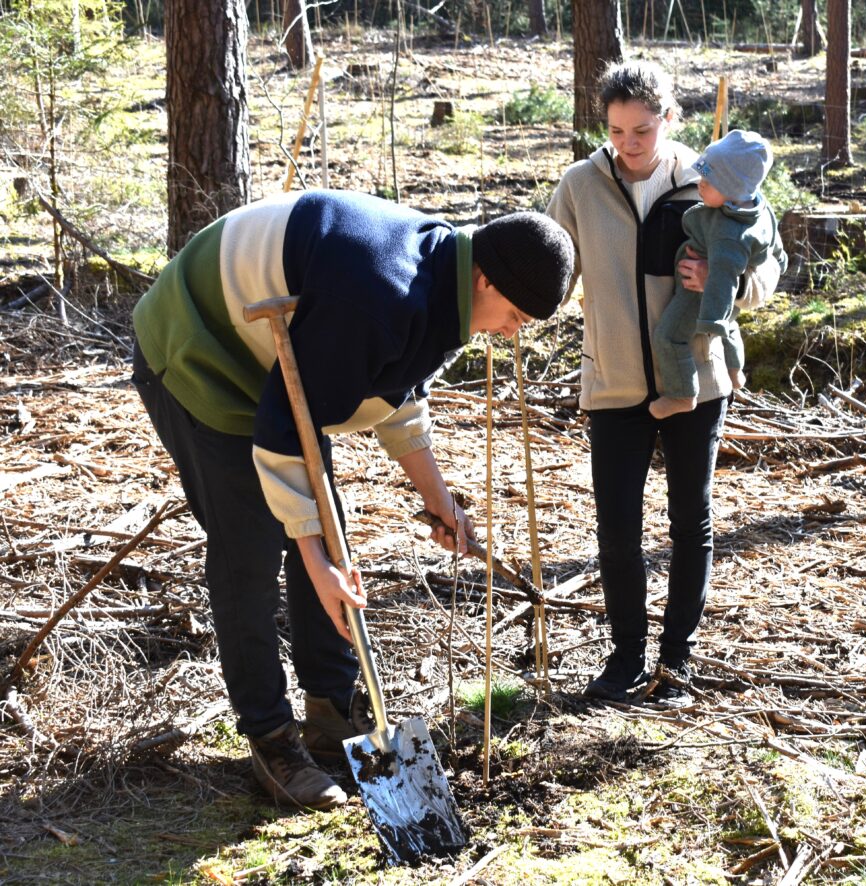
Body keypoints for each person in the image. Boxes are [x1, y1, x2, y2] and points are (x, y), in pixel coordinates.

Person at [131, 189, 574, 808]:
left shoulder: (440, 285)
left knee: (326, 535)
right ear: (485, 277)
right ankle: (272, 739)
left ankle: (331, 710)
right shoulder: (379, 295)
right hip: (199, 344)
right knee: (251, 552)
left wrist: (441, 500)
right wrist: (314, 560)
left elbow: (395, 394)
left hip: (283, 359)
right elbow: (287, 428)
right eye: (515, 318)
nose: (508, 333)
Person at [547, 61, 782, 706]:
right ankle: (625, 657)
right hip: (615, 381)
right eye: (618, 130)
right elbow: (552, 267)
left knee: (690, 522)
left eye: (643, 130)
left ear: (671, 120)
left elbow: (769, 262)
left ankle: (675, 660)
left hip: (698, 381)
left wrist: (731, 287)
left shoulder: (712, 178)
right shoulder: (578, 185)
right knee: (616, 528)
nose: (629, 144)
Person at [649, 129, 786, 420]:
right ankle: (735, 372)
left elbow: (721, 280)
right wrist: (782, 261)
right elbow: (776, 246)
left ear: (732, 187)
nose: (700, 185)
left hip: (697, 293)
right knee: (732, 324)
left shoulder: (727, 236)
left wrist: (711, 320)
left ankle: (682, 393)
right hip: (718, 297)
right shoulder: (759, 209)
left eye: (708, 182)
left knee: (669, 337)